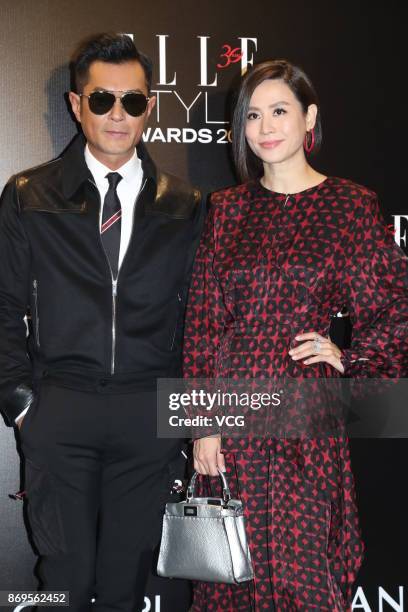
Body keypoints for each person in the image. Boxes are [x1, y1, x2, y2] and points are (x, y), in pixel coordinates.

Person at [182, 60, 408, 611]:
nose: (266, 127)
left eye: (279, 111)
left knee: (306, 572)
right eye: (253, 115)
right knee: (230, 575)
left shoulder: (351, 206)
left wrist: (349, 358)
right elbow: (204, 322)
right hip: (233, 413)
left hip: (306, 417)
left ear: (309, 116)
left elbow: (394, 308)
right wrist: (201, 427)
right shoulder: (227, 209)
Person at [0, 33, 202, 611]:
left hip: (149, 412)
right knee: (61, 584)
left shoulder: (186, 205)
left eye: (133, 102)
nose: (118, 115)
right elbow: (2, 306)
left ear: (150, 107)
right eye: (102, 100)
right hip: (60, 407)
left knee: (124, 587)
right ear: (75, 105)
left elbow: (205, 316)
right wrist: (22, 402)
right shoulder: (28, 195)